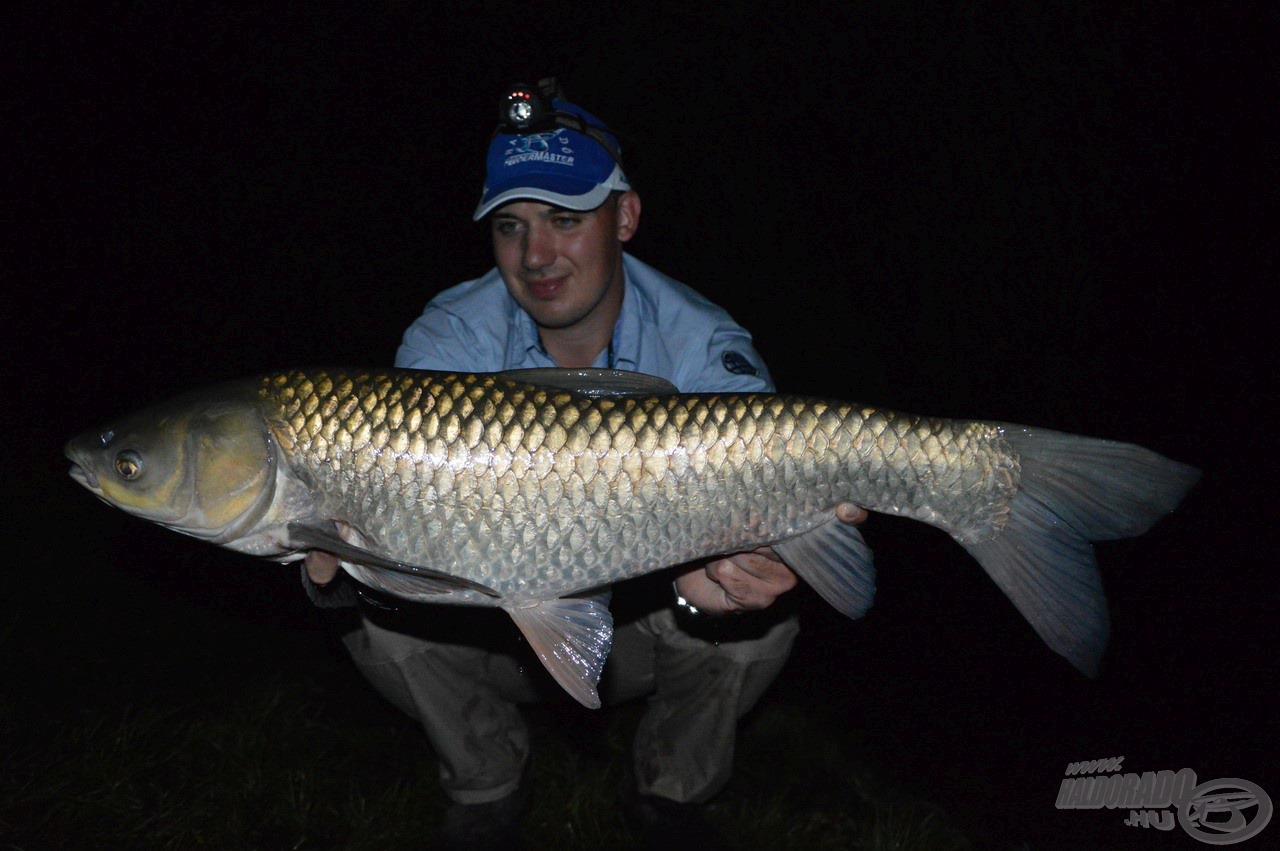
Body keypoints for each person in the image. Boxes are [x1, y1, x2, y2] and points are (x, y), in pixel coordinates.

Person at [303, 81, 865, 849]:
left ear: (624, 216)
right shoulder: (445, 344)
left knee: (758, 627)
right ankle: (487, 784)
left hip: (643, 627)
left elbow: (761, 520)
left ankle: (669, 794)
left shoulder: (704, 347)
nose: (535, 256)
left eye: (565, 219)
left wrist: (720, 584)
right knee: (385, 618)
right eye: (511, 226)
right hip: (491, 629)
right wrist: (331, 573)